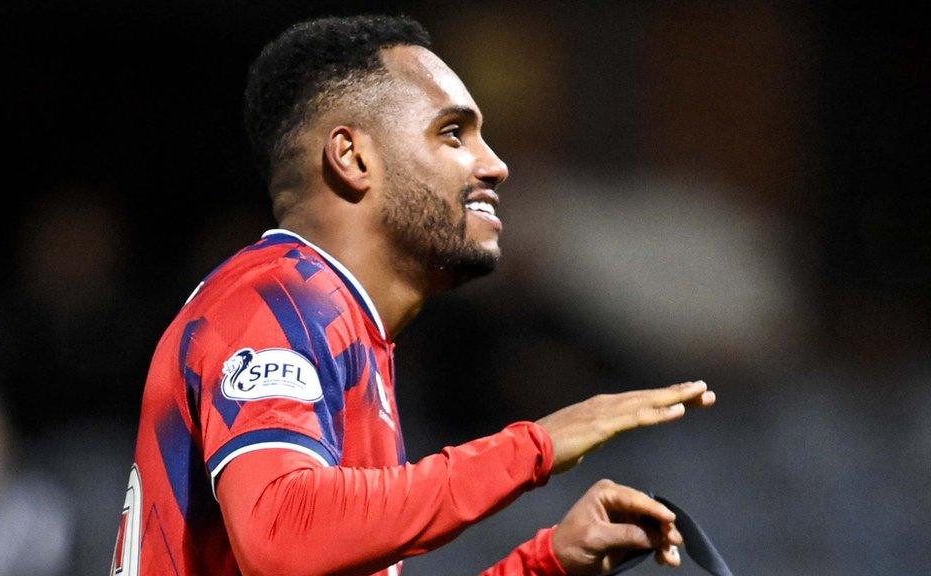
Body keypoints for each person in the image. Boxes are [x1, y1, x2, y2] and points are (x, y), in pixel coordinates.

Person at [111, 15, 716, 576]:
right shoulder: (276, 300)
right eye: (454, 134)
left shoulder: (345, 328)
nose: (495, 164)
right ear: (352, 157)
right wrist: (536, 446)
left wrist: (545, 564)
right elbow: (281, 532)